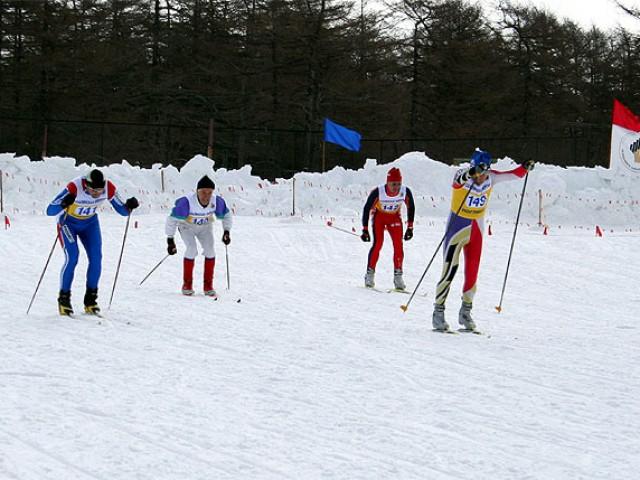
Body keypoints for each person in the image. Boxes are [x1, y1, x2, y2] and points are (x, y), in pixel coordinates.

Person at [432, 149, 534, 332]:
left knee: (472, 273)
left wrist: (525, 167)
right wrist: (473, 172)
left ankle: (465, 312)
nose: (480, 177)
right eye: (478, 173)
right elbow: (461, 180)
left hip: (476, 231)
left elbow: (513, 174)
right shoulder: (461, 176)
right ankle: (438, 312)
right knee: (449, 271)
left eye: (484, 173)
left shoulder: (491, 178)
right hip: (456, 229)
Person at [46, 169, 139, 316]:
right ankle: (64, 299)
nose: (96, 193)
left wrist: (129, 205)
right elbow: (50, 210)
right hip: (68, 223)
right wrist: (64, 203)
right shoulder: (75, 186)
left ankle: (91, 300)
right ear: (86, 185)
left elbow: (123, 211)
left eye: (99, 190)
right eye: (92, 190)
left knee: (96, 259)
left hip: (90, 224)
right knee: (72, 257)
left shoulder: (108, 187)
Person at [165, 175, 232, 297]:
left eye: (209, 192)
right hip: (186, 227)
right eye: (203, 192)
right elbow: (172, 219)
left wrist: (226, 231)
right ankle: (187, 285)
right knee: (191, 249)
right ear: (197, 191)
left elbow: (227, 215)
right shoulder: (186, 202)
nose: (206, 196)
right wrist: (170, 239)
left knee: (210, 251)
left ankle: (208, 286)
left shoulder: (216, 201)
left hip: (205, 227)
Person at [361, 167, 415, 290]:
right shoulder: (378, 192)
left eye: (398, 184)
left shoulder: (405, 191)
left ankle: (398, 276)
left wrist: (410, 227)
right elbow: (367, 208)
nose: (396, 187)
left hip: (394, 218)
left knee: (398, 245)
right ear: (388, 182)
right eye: (393, 184)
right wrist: (365, 229)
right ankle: (370, 274)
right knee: (378, 244)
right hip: (380, 217)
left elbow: (411, 207)